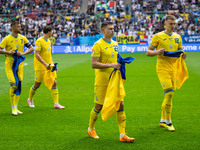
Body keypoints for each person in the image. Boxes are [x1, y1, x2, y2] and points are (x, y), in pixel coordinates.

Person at [88, 21, 135, 143]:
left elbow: (114, 58)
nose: (113, 31)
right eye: (110, 29)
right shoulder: (97, 45)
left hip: (114, 80)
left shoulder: (115, 43)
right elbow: (94, 64)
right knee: (98, 106)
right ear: (103, 31)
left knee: (121, 104)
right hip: (102, 81)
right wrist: (111, 64)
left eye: (113, 29)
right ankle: (91, 128)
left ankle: (122, 135)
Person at [146, 15, 187, 131]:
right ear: (165, 24)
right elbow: (148, 52)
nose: (173, 26)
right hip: (162, 68)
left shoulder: (178, 37)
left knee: (170, 95)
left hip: (174, 69)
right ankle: (168, 122)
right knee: (169, 93)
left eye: (174, 24)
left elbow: (180, 51)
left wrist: (183, 55)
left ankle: (163, 120)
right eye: (170, 24)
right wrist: (157, 52)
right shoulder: (158, 36)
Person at [0, 20, 34, 115]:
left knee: (18, 86)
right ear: (13, 27)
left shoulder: (22, 38)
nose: (20, 28)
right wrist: (8, 52)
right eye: (18, 26)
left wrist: (23, 53)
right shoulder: (7, 39)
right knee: (13, 85)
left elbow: (32, 48)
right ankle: (13, 109)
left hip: (19, 66)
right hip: (10, 66)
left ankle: (16, 107)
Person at [27, 25, 65, 109]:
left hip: (49, 67)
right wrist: (44, 64)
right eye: (51, 31)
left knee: (54, 82)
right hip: (40, 67)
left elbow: (49, 55)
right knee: (37, 85)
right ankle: (30, 99)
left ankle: (56, 103)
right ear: (48, 32)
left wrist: (53, 64)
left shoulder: (48, 41)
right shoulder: (39, 41)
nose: (52, 33)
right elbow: (36, 54)